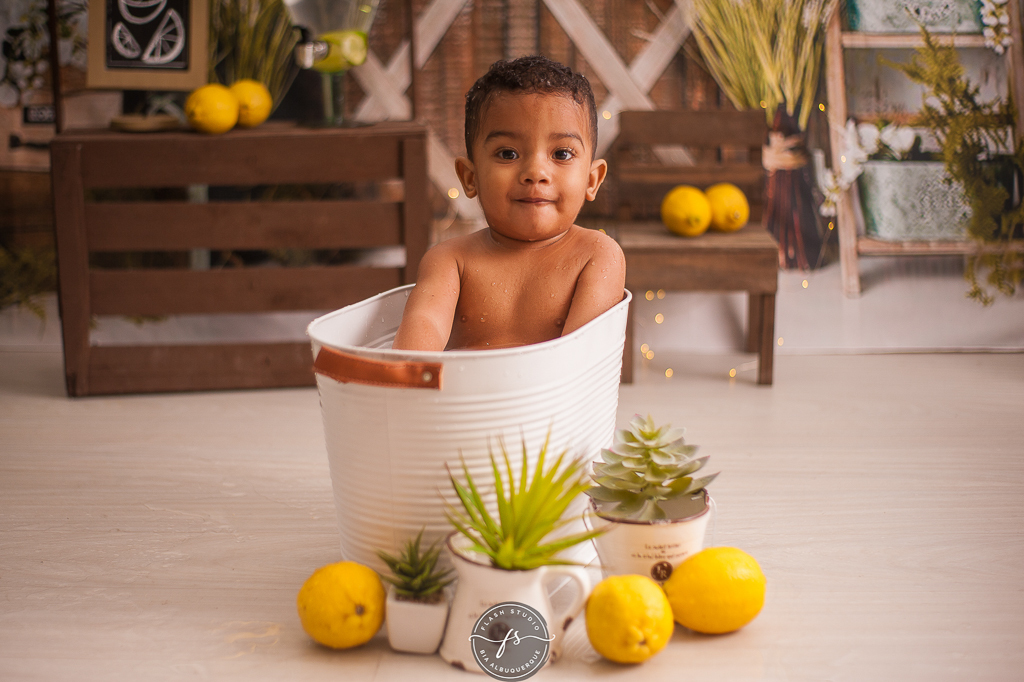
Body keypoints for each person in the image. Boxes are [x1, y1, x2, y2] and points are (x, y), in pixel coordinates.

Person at [392, 55, 625, 351]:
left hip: (560, 396)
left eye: (562, 154)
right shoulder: (450, 260)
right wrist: (408, 376)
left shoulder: (598, 254)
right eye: (508, 154)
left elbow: (582, 355)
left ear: (592, 180)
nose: (535, 173)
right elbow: (423, 325)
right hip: (464, 396)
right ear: (470, 177)